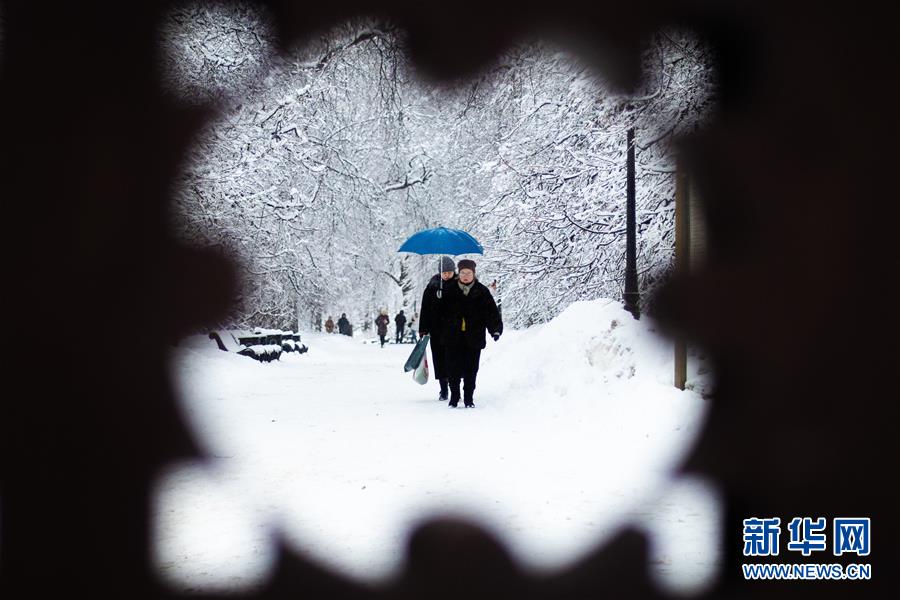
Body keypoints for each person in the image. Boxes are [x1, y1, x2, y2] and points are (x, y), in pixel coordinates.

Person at [441, 259, 502, 408]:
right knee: (452, 368)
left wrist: (495, 329)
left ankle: (469, 398)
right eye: (462, 273)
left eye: (468, 273)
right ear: (458, 274)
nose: (465, 276)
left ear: (474, 274)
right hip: (453, 336)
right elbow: (439, 314)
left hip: (473, 336)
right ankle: (454, 397)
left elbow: (491, 312)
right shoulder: (449, 290)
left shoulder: (481, 291)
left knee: (471, 369)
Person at [418, 256, 457, 401]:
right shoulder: (432, 286)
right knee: (440, 360)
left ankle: (455, 389)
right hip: (437, 330)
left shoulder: (459, 284)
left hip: (455, 330)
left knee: (454, 360)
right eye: (444, 272)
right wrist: (423, 328)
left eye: (449, 272)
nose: (447, 275)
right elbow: (425, 309)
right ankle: (443, 389)